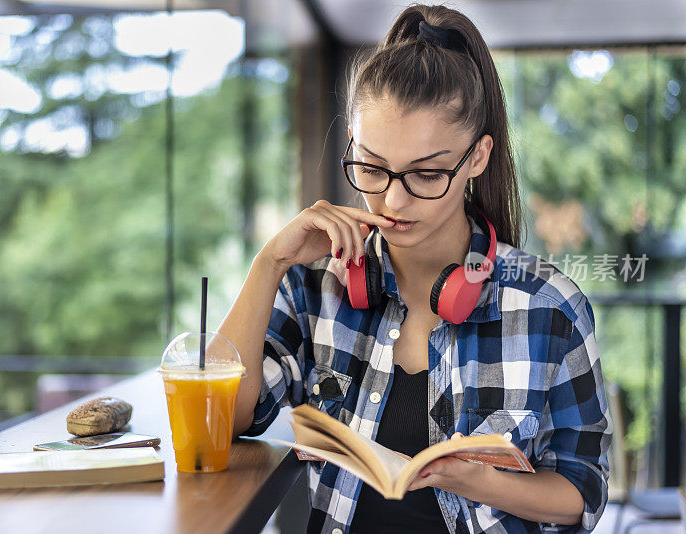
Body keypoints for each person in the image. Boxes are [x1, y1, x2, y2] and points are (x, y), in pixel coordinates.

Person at [218, 4, 612, 533]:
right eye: (372, 168)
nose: (393, 201)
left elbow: (583, 492)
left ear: (477, 158)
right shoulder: (315, 286)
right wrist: (270, 263)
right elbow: (223, 421)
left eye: (426, 175)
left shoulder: (547, 306)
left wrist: (478, 482)